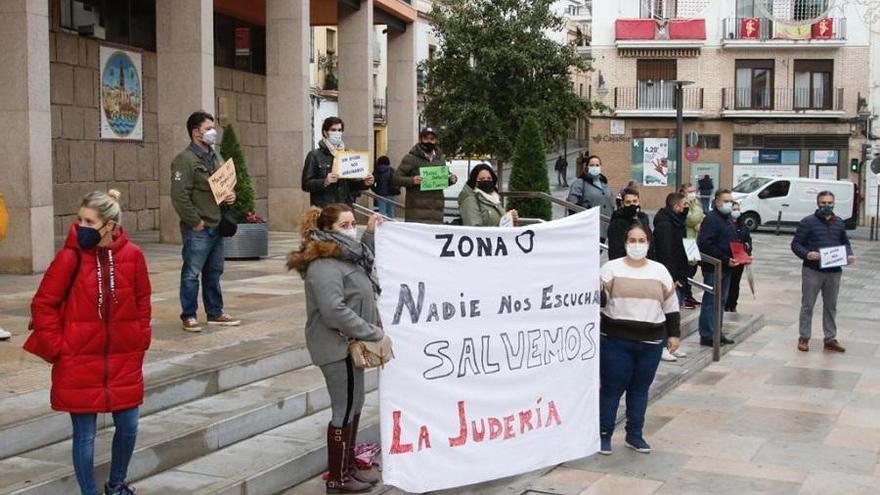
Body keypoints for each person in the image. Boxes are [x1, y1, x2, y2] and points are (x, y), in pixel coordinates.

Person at [24, 190, 151, 495]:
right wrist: (59, 347)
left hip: (122, 358)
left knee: (129, 425)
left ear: (109, 225)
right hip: (77, 359)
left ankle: (117, 484)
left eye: (89, 221)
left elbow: (142, 300)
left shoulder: (132, 255)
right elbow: (43, 304)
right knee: (85, 435)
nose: (80, 227)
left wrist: (140, 337)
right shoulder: (69, 257)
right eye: (79, 219)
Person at [287, 204, 385, 493]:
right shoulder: (323, 262)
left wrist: (369, 235)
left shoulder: (346, 253)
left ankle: (349, 466)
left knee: (355, 405)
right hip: (336, 345)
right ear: (328, 229)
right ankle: (338, 477)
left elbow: (357, 276)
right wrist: (372, 332)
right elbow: (333, 310)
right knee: (343, 409)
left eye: (353, 222)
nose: (351, 228)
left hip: (351, 343)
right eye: (345, 225)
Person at [598, 223, 680, 455]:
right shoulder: (610, 269)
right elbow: (599, 301)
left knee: (640, 389)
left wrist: (674, 334)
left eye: (641, 240)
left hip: (650, 342)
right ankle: (604, 435)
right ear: (625, 243)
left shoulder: (659, 271)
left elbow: (671, 305)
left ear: (648, 242)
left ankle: (635, 434)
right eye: (632, 240)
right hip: (616, 340)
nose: (637, 244)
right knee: (611, 390)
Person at [171, 111, 241, 332]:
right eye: (208, 128)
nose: (213, 132)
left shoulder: (215, 155)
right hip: (199, 227)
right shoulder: (185, 160)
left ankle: (215, 312)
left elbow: (224, 184)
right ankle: (189, 315)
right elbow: (179, 196)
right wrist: (195, 221)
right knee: (192, 273)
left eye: (213, 127)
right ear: (195, 132)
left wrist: (231, 195)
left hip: (217, 223)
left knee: (214, 271)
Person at [791, 191, 854, 353]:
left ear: (834, 203)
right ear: (818, 203)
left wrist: (849, 254)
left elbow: (845, 243)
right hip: (813, 270)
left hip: (834, 271)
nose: (827, 206)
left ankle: (830, 338)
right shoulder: (807, 222)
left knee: (831, 306)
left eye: (829, 203)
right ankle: (804, 338)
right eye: (823, 203)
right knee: (808, 305)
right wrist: (806, 254)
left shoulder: (839, 223)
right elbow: (796, 244)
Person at [696, 189, 739, 347]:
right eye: (725, 201)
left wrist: (741, 254)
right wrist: (725, 258)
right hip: (715, 265)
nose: (728, 204)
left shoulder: (726, 218)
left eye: (730, 201)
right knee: (711, 300)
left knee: (721, 300)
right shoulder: (712, 219)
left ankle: (717, 331)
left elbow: (732, 240)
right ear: (716, 201)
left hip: (727, 265)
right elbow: (706, 244)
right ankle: (707, 334)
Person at [302, 117, 375, 207]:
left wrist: (364, 183)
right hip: (325, 209)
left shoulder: (348, 155)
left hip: (345, 208)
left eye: (339, 130)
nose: (337, 133)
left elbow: (351, 185)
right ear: (325, 132)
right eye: (333, 130)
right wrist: (324, 181)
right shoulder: (315, 155)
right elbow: (306, 184)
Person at [653, 192, 690, 362]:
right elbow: (666, 253)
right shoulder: (665, 225)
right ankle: (662, 346)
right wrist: (671, 278)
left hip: (680, 273)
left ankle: (670, 345)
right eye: (685, 204)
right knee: (666, 312)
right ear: (676, 206)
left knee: (674, 312)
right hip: (671, 276)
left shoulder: (677, 223)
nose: (686, 207)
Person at [393, 127, 458, 224]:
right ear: (420, 140)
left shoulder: (440, 158)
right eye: (426, 138)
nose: (429, 141)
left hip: (436, 212)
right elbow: (396, 179)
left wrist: (451, 179)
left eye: (432, 139)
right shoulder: (411, 158)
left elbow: (442, 179)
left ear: (435, 140)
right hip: (416, 213)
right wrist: (412, 180)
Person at [567, 155, 613, 240]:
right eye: (592, 165)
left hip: (604, 227)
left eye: (597, 165)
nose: (595, 167)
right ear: (587, 167)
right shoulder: (580, 183)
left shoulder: (605, 184)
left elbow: (610, 203)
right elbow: (572, 205)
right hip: (587, 227)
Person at [607, 188, 654, 261]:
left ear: (638, 201)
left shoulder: (643, 218)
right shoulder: (617, 223)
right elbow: (615, 251)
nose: (632, 204)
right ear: (622, 204)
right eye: (628, 202)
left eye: (635, 201)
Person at [679, 182, 705, 308]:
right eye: (689, 191)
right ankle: (684, 296)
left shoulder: (695, 204)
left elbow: (702, 219)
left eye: (693, 191)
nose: (692, 193)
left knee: (693, 270)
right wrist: (697, 210)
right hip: (687, 241)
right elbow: (691, 220)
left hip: (694, 241)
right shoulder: (685, 205)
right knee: (687, 270)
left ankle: (688, 294)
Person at [725, 201, 753, 313]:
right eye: (734, 209)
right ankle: (725, 304)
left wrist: (748, 250)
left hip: (739, 258)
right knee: (727, 282)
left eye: (738, 209)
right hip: (728, 258)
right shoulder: (726, 224)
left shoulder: (743, 226)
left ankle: (733, 304)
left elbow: (748, 240)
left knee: (735, 283)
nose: (736, 211)